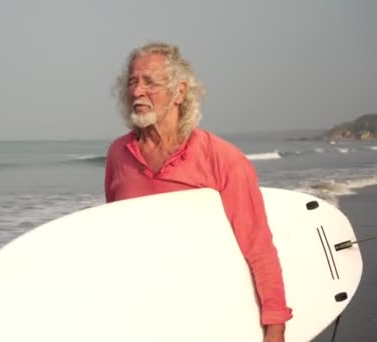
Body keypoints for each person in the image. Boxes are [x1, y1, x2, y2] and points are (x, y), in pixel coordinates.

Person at [104, 41, 293, 342]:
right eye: (132, 82)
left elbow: (258, 246)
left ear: (179, 92)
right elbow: (118, 241)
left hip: (207, 311)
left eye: (150, 82)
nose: (137, 91)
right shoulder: (118, 154)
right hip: (147, 315)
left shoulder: (223, 159)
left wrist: (275, 325)